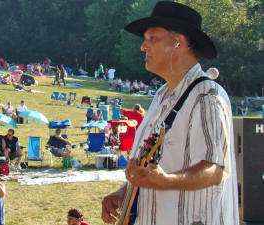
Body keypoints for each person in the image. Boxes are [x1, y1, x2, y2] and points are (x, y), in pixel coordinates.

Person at [101, 2, 239, 225]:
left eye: (153, 38)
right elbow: (157, 166)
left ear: (179, 42)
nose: (143, 47)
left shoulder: (207, 97)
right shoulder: (161, 96)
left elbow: (214, 170)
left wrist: (167, 182)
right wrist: (125, 191)